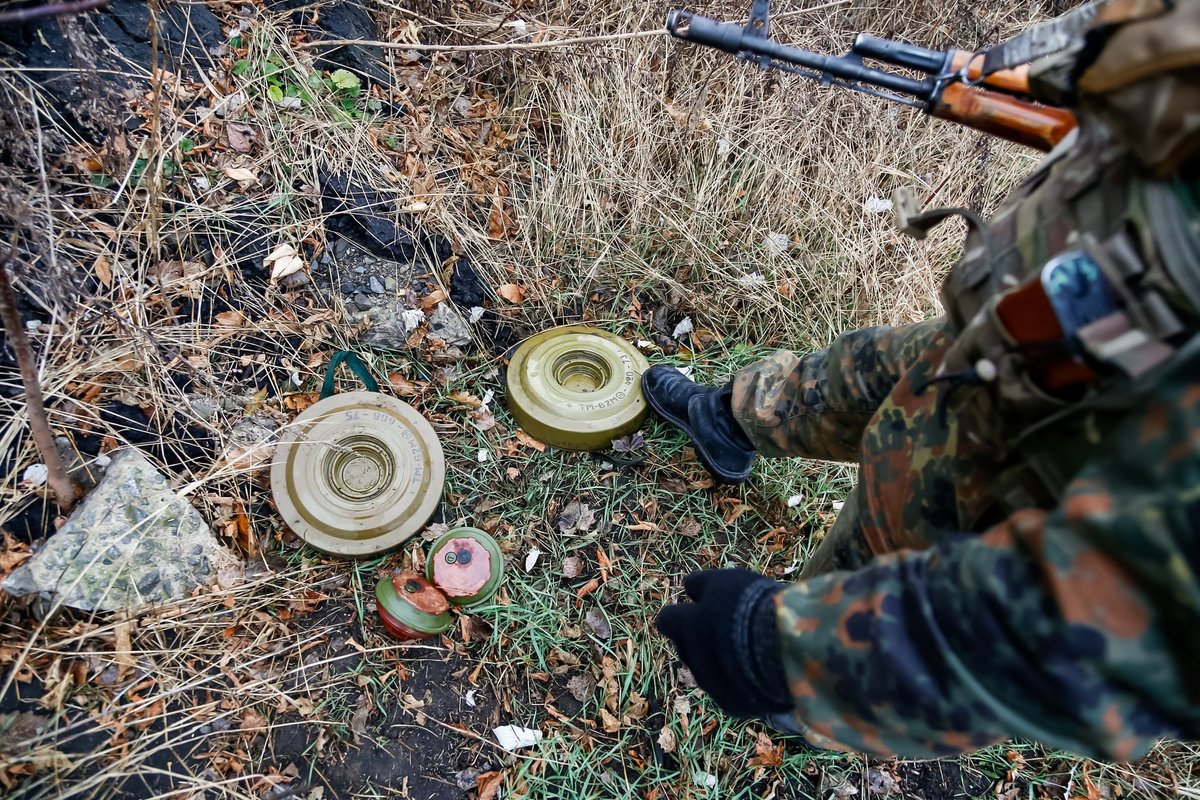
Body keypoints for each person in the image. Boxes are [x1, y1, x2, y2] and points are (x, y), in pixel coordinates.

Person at [650, 0, 1200, 759]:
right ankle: (727, 422)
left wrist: (787, 651)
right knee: (851, 374)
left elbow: (1124, 623)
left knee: (878, 550)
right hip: (1009, 341)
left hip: (1025, 474)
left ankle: (801, 708)